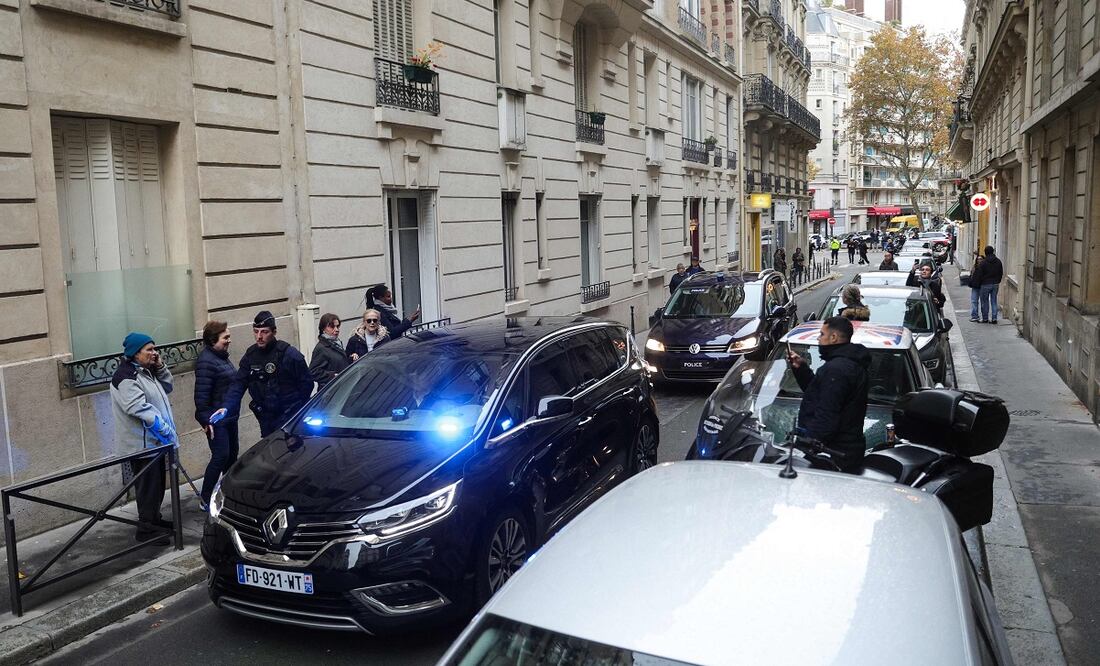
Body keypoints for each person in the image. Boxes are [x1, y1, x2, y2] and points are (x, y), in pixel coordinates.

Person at [110, 332, 175, 546]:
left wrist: (160, 366)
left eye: (155, 349)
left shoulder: (146, 372)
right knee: (148, 487)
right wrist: (164, 428)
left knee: (156, 486)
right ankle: (146, 530)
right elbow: (137, 407)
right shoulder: (126, 377)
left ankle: (154, 521)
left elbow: (168, 386)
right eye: (149, 350)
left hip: (154, 443)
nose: (154, 353)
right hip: (142, 445)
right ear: (135, 353)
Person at [785, 316, 871, 472]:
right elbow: (819, 395)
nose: (818, 339)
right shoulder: (846, 364)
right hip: (845, 452)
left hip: (832, 456)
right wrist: (802, 369)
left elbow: (826, 416)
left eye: (822, 334)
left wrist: (805, 447)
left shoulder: (836, 370)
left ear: (833, 337)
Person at [213, 311, 314, 438]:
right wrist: (226, 407)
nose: (259, 336)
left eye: (264, 332)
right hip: (266, 419)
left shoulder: (289, 355)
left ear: (274, 332)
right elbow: (238, 384)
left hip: (289, 418)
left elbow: (307, 384)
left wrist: (296, 409)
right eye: (256, 331)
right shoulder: (251, 355)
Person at [194, 321, 239, 509]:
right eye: (225, 337)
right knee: (221, 456)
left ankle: (227, 495)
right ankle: (205, 499)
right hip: (216, 421)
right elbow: (201, 396)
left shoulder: (221, 356)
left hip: (228, 418)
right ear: (213, 340)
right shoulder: (206, 361)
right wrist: (206, 419)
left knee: (231, 456)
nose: (229, 340)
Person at [309, 313, 350, 389]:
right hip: (330, 391)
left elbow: (337, 361)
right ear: (323, 329)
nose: (336, 330)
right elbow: (313, 372)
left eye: (337, 326)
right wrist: (333, 376)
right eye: (332, 327)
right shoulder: (321, 348)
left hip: (342, 387)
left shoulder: (336, 343)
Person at [971, 245, 1004, 323]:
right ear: (993, 252)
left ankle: (985, 318)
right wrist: (998, 281)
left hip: (985, 284)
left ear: (985, 253)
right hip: (995, 284)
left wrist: (979, 283)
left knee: (984, 301)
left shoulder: (983, 263)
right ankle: (994, 318)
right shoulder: (998, 261)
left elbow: (979, 274)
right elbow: (1001, 272)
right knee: (994, 301)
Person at [968, 252, 984, 322]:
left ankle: (984, 316)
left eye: (981, 259)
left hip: (982, 286)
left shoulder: (984, 267)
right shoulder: (974, 267)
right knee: (974, 301)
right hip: (975, 287)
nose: (979, 260)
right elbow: (971, 275)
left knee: (983, 302)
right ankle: (975, 316)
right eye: (978, 259)